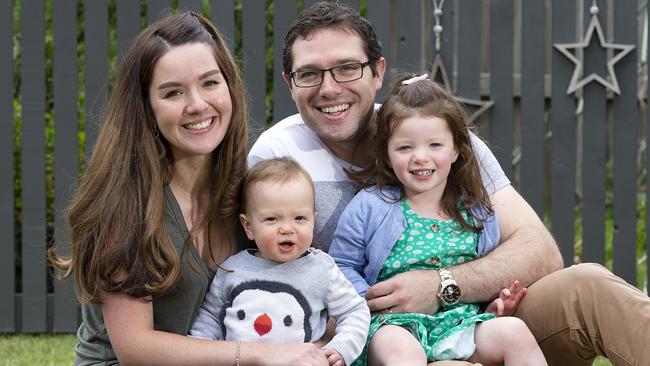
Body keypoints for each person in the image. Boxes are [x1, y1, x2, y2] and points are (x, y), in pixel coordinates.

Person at [248, 2, 650, 365]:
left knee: (589, 285)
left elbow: (540, 252)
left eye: (347, 68)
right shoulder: (278, 156)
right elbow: (262, 283)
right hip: (372, 340)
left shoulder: (431, 134)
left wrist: (443, 285)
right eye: (310, 74)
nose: (330, 87)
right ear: (289, 82)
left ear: (378, 71)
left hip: (475, 322)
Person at [49, 11, 328, 366]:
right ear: (147, 109)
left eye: (210, 83)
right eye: (172, 92)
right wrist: (262, 355)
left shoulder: (245, 192)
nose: (197, 105)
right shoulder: (124, 204)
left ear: (229, 87)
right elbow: (135, 349)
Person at [328, 74, 546, 366]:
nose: (420, 157)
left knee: (514, 332)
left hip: (460, 325)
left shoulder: (476, 211)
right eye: (405, 147)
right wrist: (368, 300)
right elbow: (341, 266)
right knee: (402, 352)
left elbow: (485, 266)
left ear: (456, 148)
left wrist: (493, 303)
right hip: (394, 326)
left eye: (434, 145)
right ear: (387, 153)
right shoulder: (370, 207)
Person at [189, 157, 370, 366]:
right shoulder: (231, 269)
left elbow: (355, 311)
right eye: (272, 219)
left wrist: (342, 346)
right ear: (248, 226)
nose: (287, 228)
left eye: (300, 218)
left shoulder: (321, 269)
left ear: (313, 219)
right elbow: (209, 319)